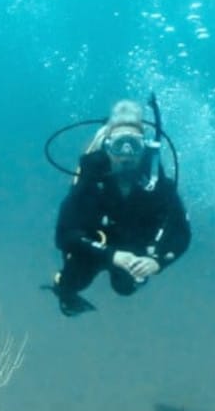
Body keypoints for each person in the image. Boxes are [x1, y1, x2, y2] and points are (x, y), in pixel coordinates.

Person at [50, 99, 191, 316]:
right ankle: (66, 287)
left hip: (133, 245)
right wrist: (111, 255)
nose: (126, 154)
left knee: (125, 287)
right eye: (119, 145)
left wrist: (156, 262)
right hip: (95, 244)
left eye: (133, 145)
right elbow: (64, 235)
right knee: (72, 282)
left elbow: (181, 232)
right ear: (107, 147)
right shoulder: (89, 180)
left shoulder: (158, 183)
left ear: (144, 149)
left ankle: (129, 273)